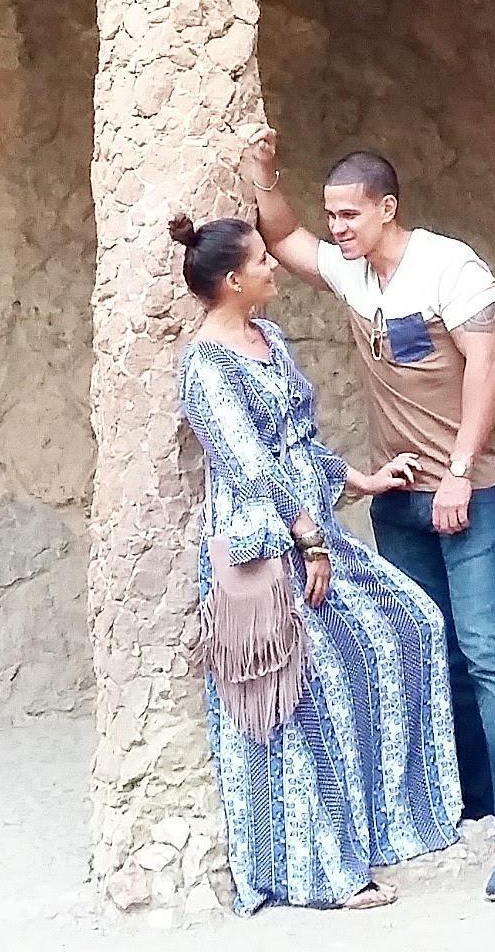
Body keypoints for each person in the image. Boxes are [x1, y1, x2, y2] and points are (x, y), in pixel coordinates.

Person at [241, 132, 495, 903]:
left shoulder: (450, 267)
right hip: (399, 494)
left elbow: (490, 364)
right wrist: (263, 179)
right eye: (333, 214)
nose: (339, 227)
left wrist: (457, 474)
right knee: (434, 646)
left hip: (470, 487)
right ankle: (474, 794)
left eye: (350, 214)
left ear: (389, 209)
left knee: (489, 653)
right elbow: (284, 238)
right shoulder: (354, 273)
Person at [172, 210, 461, 913]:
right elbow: (247, 465)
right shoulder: (206, 366)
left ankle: (388, 822)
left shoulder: (267, 336)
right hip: (267, 550)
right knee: (303, 693)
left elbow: (298, 441)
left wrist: (362, 479)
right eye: (263, 262)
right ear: (235, 279)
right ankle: (320, 872)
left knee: (412, 625)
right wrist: (308, 538)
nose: (276, 268)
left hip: (316, 530)